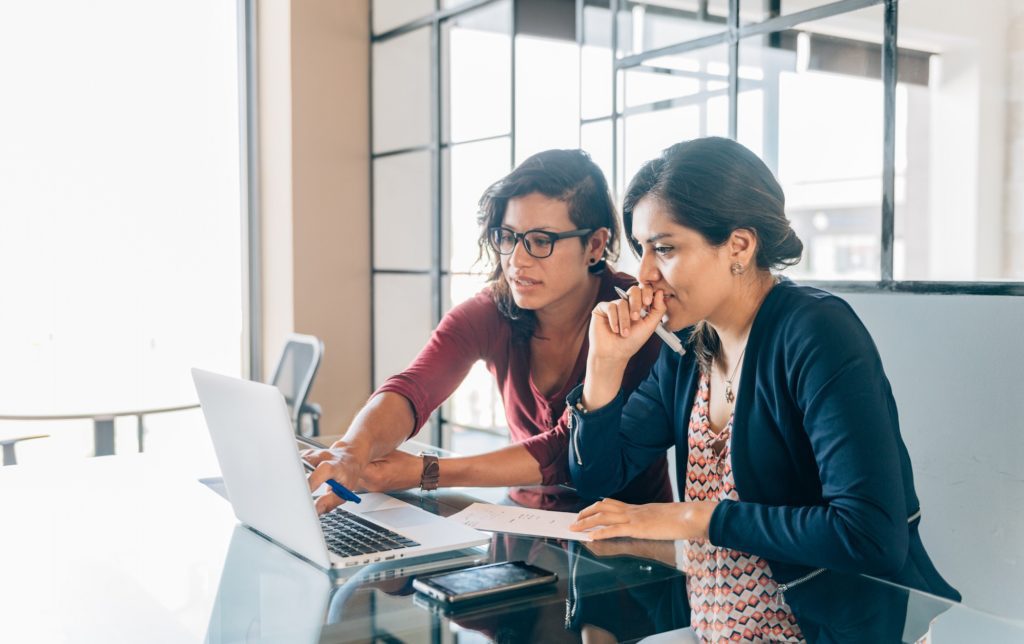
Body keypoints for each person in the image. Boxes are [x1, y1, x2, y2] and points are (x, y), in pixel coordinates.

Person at [566, 137, 959, 641]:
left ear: (739, 246)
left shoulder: (816, 333)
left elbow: (869, 535)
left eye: (664, 249)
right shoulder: (690, 346)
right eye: (642, 249)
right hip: (714, 631)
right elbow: (596, 477)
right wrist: (604, 366)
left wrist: (694, 517)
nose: (643, 275)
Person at [305, 149, 671, 513]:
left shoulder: (634, 317)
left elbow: (564, 451)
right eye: (508, 237)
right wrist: (351, 451)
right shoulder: (495, 308)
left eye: (541, 241)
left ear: (594, 245)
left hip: (626, 541)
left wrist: (426, 471)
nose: (517, 260)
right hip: (521, 520)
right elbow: (414, 386)